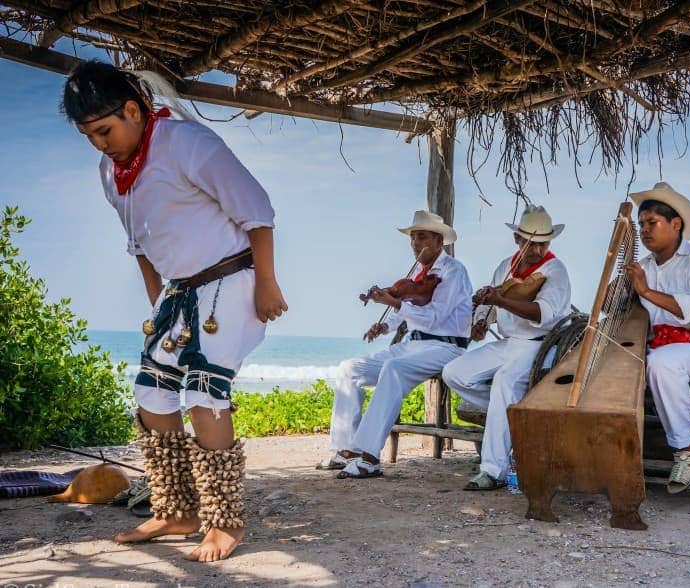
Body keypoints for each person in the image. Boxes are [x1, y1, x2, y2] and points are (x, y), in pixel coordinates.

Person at [61, 60, 288, 561]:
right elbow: (139, 245)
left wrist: (267, 284)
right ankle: (176, 509)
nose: (100, 144)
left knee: (205, 394)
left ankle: (225, 522)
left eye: (105, 130)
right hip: (178, 295)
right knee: (152, 392)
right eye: (88, 135)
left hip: (232, 280)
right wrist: (159, 303)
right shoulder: (110, 171)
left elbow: (258, 211)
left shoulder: (188, 143)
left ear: (132, 109)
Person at [317, 210, 472, 478]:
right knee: (349, 368)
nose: (414, 244)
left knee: (393, 368)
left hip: (444, 347)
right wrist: (385, 325)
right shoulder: (419, 275)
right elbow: (408, 308)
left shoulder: (453, 271)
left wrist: (394, 302)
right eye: (412, 238)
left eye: (421, 237)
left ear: (438, 241)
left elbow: (435, 317)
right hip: (412, 344)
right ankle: (346, 450)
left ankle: (368, 456)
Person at [443, 205, 571, 490]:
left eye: (543, 243)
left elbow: (543, 314)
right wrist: (480, 320)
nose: (537, 250)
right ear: (517, 239)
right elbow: (491, 306)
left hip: (539, 346)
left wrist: (499, 300)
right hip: (508, 343)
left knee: (504, 381)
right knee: (454, 373)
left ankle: (493, 471)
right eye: (531, 243)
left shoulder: (555, 270)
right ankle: (513, 417)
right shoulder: (506, 266)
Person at [625, 182, 690, 494]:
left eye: (652, 223)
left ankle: (687, 448)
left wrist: (645, 291)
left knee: (662, 364)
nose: (645, 230)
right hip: (659, 348)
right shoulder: (642, 267)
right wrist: (618, 292)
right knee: (627, 364)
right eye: (641, 224)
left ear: (676, 224)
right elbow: (623, 312)